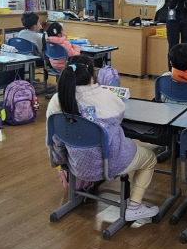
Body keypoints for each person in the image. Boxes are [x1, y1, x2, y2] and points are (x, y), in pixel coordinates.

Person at [45, 56, 160, 222]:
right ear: (92, 77)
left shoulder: (57, 100)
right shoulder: (105, 97)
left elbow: (53, 138)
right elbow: (120, 115)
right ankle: (134, 207)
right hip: (107, 165)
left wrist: (61, 162)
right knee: (150, 158)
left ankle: (78, 193)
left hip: (74, 162)